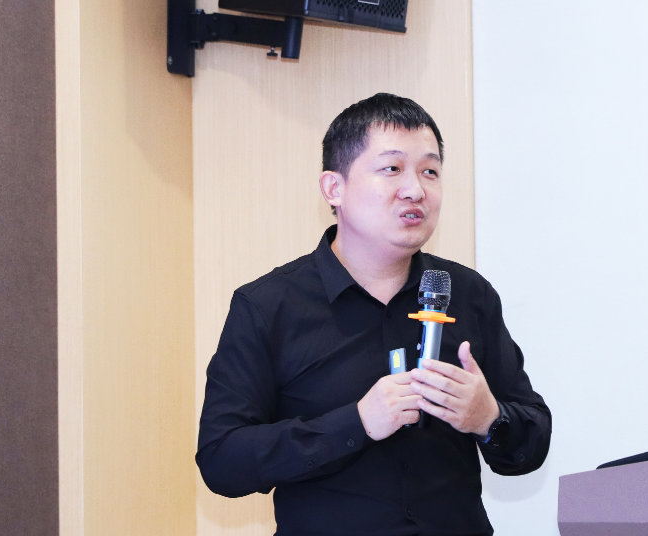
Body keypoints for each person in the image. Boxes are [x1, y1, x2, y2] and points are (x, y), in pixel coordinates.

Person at [197, 93, 551, 536]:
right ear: (334, 188)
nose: (415, 189)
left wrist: (489, 418)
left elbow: (532, 442)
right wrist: (357, 423)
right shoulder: (268, 306)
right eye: (392, 168)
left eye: (430, 171)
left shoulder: (468, 294)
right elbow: (222, 460)